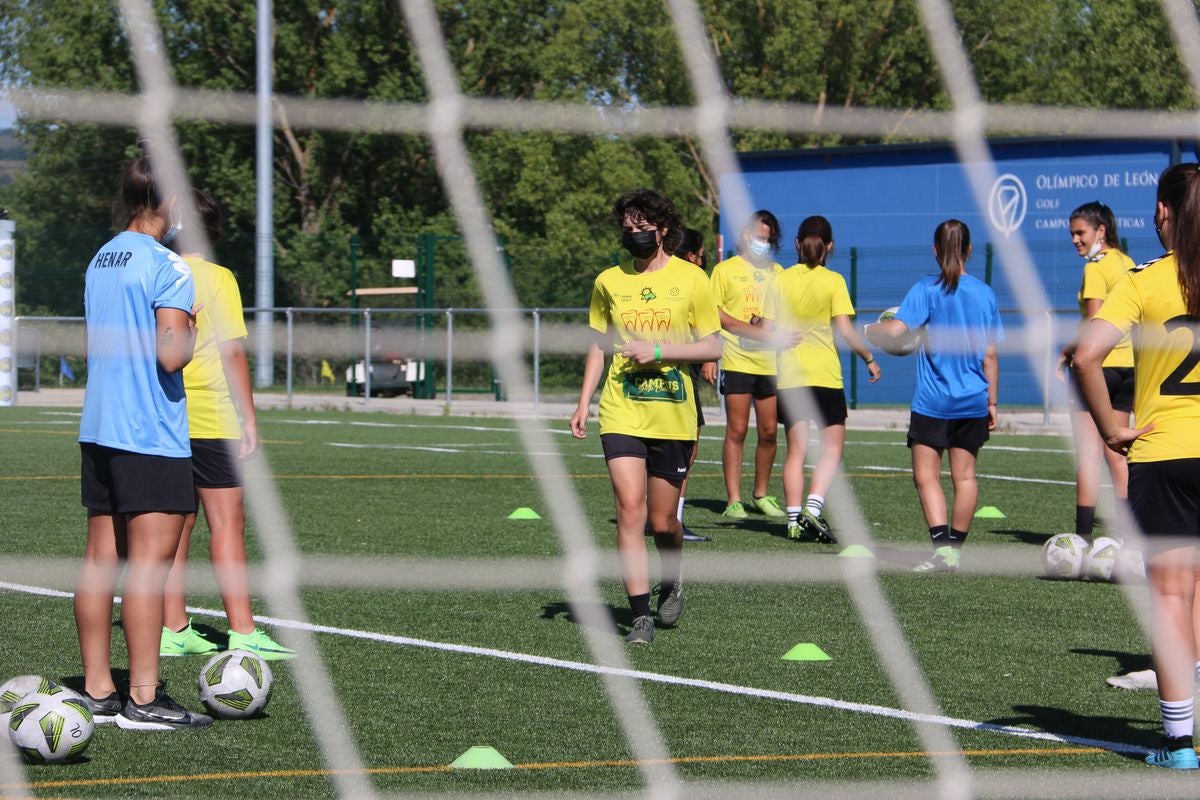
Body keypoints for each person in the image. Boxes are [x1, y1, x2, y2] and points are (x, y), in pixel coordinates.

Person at [75, 155, 213, 729]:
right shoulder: (169, 265)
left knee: (100, 562)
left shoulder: (101, 257)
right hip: (148, 431)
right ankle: (144, 697)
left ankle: (99, 689)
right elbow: (171, 353)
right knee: (149, 569)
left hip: (100, 425)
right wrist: (194, 326)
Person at [1073, 162, 1200, 769]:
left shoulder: (1146, 279)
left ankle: (1179, 745)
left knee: (1172, 598)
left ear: (1164, 213)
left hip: (1165, 450)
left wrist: (1110, 428)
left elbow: (1086, 355)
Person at [571, 189, 722, 644]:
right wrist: (584, 402)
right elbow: (599, 347)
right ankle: (639, 616)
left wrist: (658, 349)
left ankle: (672, 579)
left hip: (673, 413)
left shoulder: (693, 280)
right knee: (629, 511)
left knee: (663, 522)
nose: (633, 235)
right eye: (627, 228)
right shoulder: (608, 281)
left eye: (641, 227)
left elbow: (714, 345)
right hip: (621, 411)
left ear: (662, 229)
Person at [159, 189, 295, 661]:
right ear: (214, 230)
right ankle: (242, 630)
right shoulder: (219, 278)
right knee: (227, 524)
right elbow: (233, 352)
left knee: (178, 527)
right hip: (213, 415)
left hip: (167, 413)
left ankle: (174, 629)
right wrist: (250, 416)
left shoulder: (160, 271)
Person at [865, 219, 1002, 573]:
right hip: (973, 399)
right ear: (969, 250)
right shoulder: (985, 293)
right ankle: (953, 551)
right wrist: (992, 402)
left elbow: (895, 330)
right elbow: (990, 355)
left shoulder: (925, 289)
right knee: (966, 477)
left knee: (926, 475)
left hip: (933, 401)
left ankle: (942, 550)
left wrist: (871, 330)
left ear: (935, 251)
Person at [762, 216, 880, 543]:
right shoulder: (834, 281)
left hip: (790, 376)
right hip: (825, 375)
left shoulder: (780, 280)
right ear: (830, 246)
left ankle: (791, 521)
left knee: (796, 451)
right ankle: (813, 507)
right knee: (832, 449)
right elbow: (845, 330)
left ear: (797, 244)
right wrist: (869, 358)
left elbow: (766, 327)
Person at [1055, 202, 1135, 541]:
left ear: (1100, 231)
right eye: (1072, 233)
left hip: (1097, 366)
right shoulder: (1128, 263)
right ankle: (1127, 535)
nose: (1075, 239)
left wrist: (1066, 351)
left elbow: (1093, 320)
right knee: (1117, 453)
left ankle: (1082, 540)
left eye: (1080, 232)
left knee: (1088, 454)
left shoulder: (1096, 268)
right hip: (1129, 366)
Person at [709, 211, 786, 521]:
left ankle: (761, 495)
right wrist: (748, 329)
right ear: (744, 235)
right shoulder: (725, 271)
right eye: (758, 238)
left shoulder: (778, 272)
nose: (762, 244)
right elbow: (714, 314)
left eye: (767, 240)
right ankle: (734, 500)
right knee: (737, 430)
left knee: (768, 432)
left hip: (770, 363)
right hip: (736, 360)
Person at [672, 228, 713, 543]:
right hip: (679, 375)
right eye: (701, 254)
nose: (703, 260)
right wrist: (710, 355)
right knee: (687, 445)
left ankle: (661, 516)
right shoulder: (692, 280)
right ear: (691, 256)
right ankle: (673, 518)